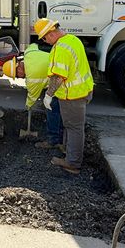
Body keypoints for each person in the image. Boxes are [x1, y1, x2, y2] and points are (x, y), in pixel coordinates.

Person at [34, 18, 94, 175]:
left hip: (72, 96)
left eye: (45, 38)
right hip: (84, 90)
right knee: (71, 126)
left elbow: (58, 76)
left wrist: (48, 95)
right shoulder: (73, 39)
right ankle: (68, 150)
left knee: (74, 128)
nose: (45, 41)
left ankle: (73, 163)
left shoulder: (60, 49)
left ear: (51, 33)